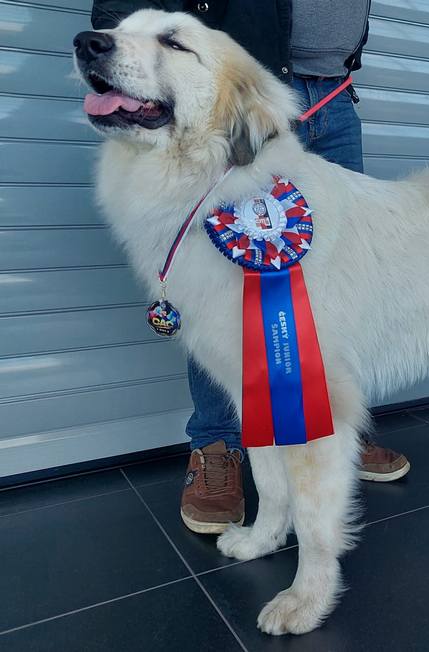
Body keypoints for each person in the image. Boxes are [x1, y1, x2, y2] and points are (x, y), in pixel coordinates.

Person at [91, 0, 410, 535]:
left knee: (340, 284)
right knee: (222, 285)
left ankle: (330, 423)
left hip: (331, 96)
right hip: (241, 91)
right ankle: (219, 442)